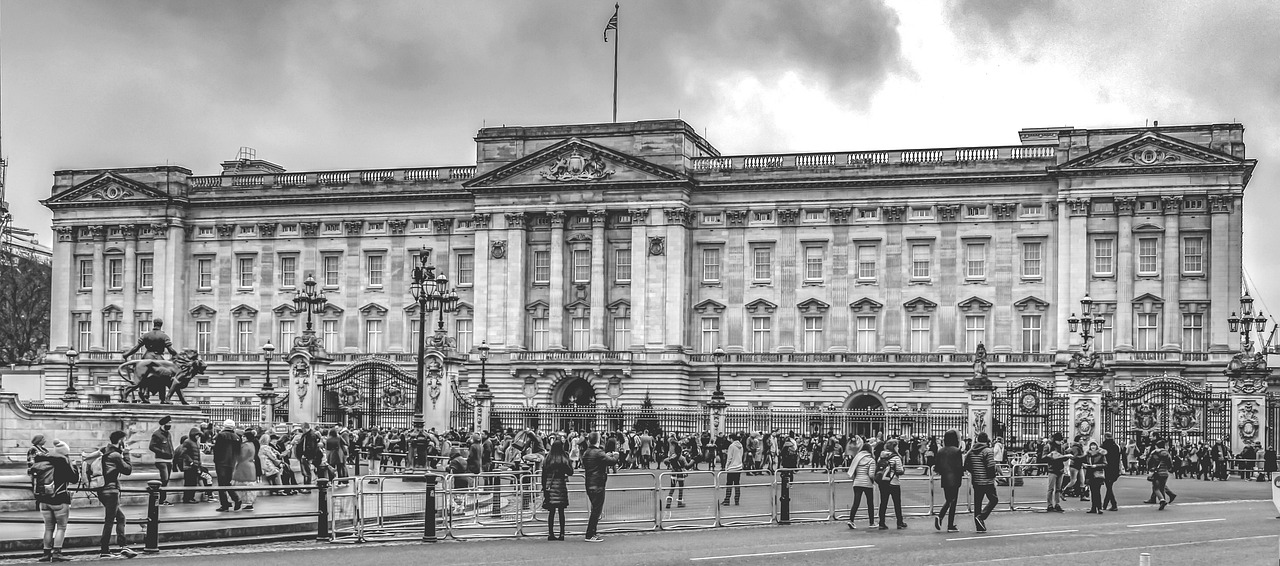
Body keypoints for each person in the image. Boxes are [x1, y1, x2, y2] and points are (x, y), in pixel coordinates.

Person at [31, 439, 78, 562]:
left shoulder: (41, 461)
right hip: (59, 499)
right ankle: (57, 553)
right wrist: (74, 466)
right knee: (61, 527)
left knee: (48, 528)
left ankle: (46, 554)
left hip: (43, 500)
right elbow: (74, 479)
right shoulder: (62, 462)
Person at [98, 430, 137, 558]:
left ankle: (123, 546)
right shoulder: (115, 455)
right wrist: (126, 454)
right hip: (111, 491)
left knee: (120, 518)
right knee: (109, 520)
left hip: (102, 490)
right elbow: (128, 470)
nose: (125, 443)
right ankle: (104, 550)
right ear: (120, 441)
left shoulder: (104, 451)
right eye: (124, 440)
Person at [580, 432, 619, 542]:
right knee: (596, 510)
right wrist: (616, 455)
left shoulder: (587, 452)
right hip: (598, 483)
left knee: (595, 509)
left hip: (589, 482)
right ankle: (590, 534)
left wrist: (606, 455)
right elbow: (612, 461)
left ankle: (593, 532)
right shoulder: (598, 452)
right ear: (597, 440)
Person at [965, 432, 998, 532]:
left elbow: (966, 465)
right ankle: (981, 517)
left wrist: (975, 471)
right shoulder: (988, 451)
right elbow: (991, 466)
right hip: (987, 481)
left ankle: (979, 526)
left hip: (976, 481)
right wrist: (993, 477)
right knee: (994, 500)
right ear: (986, 440)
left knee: (977, 503)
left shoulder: (971, 451)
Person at [541, 439, 573, 541]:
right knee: (561, 512)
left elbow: (543, 475)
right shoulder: (563, 458)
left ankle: (551, 533)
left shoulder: (548, 459)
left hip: (550, 486)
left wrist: (544, 488)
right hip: (560, 486)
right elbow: (570, 472)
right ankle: (562, 533)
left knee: (551, 512)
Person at [933, 429, 964, 532]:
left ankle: (943, 519)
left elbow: (937, 467)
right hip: (955, 477)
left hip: (945, 478)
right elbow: (959, 466)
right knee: (952, 501)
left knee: (949, 500)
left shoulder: (941, 451)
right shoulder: (957, 451)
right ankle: (947, 522)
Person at [876, 438, 907, 530]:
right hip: (894, 482)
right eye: (897, 446)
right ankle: (899, 522)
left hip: (883, 482)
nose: (898, 448)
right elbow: (899, 470)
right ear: (894, 447)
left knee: (883, 503)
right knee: (897, 503)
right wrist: (903, 470)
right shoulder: (896, 457)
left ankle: (882, 523)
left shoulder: (881, 457)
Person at [212, 420, 243, 512]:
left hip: (221, 462)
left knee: (221, 484)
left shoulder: (221, 435)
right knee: (228, 482)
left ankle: (225, 504)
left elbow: (217, 449)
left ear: (224, 426)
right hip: (231, 462)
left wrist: (216, 460)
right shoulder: (237, 437)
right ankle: (236, 499)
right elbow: (238, 451)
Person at [846, 441, 876, 529]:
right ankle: (871, 522)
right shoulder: (871, 460)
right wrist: (873, 481)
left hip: (857, 482)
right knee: (870, 503)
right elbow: (871, 474)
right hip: (867, 483)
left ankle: (851, 520)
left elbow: (853, 471)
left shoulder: (857, 458)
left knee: (856, 502)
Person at [149, 415, 175, 506]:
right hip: (161, 460)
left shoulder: (168, 434)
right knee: (164, 479)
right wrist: (162, 452)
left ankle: (163, 499)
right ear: (164, 424)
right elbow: (152, 446)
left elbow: (170, 445)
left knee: (166, 480)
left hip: (169, 460)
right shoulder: (157, 434)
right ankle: (161, 499)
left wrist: (172, 454)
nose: (170, 425)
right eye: (168, 423)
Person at [1042, 433, 1071, 512]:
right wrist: (1050, 456)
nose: (1060, 442)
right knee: (1050, 488)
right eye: (1058, 440)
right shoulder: (1048, 446)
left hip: (1060, 469)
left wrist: (1067, 457)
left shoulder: (1062, 447)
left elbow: (1063, 457)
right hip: (1052, 469)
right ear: (1055, 440)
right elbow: (1043, 457)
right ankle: (1050, 504)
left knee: (1058, 488)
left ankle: (1057, 504)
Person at [233, 429, 262, 510]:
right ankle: (249, 502)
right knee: (249, 485)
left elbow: (241, 456)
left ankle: (244, 501)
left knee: (242, 485)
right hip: (251, 466)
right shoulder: (252, 444)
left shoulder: (245, 445)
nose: (242, 438)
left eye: (244, 436)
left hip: (244, 467)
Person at [177, 427, 204, 503]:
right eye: (197, 435)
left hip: (195, 466)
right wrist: (191, 462)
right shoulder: (187, 442)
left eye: (199, 435)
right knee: (189, 483)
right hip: (189, 466)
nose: (198, 437)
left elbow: (198, 455)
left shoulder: (196, 443)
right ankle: (187, 498)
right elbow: (183, 453)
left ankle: (191, 497)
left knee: (194, 482)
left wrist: (199, 464)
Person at [1082, 441, 1107, 514]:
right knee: (1092, 491)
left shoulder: (1101, 454)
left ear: (1096, 446)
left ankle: (1099, 507)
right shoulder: (1088, 454)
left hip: (1097, 474)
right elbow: (1083, 461)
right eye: (1091, 445)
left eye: (1094, 445)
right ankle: (1093, 508)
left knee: (1097, 491)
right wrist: (1085, 465)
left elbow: (1105, 464)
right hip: (1090, 474)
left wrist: (1096, 466)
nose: (1093, 447)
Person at [1149, 440, 1174, 510]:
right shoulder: (1167, 453)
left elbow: (1149, 461)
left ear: (1156, 446)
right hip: (1165, 472)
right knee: (1162, 488)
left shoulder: (1154, 453)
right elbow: (1170, 463)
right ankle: (1163, 502)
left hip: (1157, 472)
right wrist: (1169, 468)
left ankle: (1162, 500)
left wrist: (1150, 469)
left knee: (1156, 488)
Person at [722, 433, 744, 507]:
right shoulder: (741, 446)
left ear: (731, 439)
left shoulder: (731, 446)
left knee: (729, 484)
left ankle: (727, 499)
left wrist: (726, 466)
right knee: (737, 483)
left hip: (732, 467)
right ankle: (737, 500)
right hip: (739, 466)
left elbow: (729, 458)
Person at [1101, 433, 1122, 511]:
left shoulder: (1103, 446)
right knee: (1109, 487)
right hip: (1115, 468)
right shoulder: (1116, 446)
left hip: (1106, 468)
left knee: (1108, 487)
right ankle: (1106, 505)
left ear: (1105, 437)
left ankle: (1113, 504)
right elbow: (1119, 458)